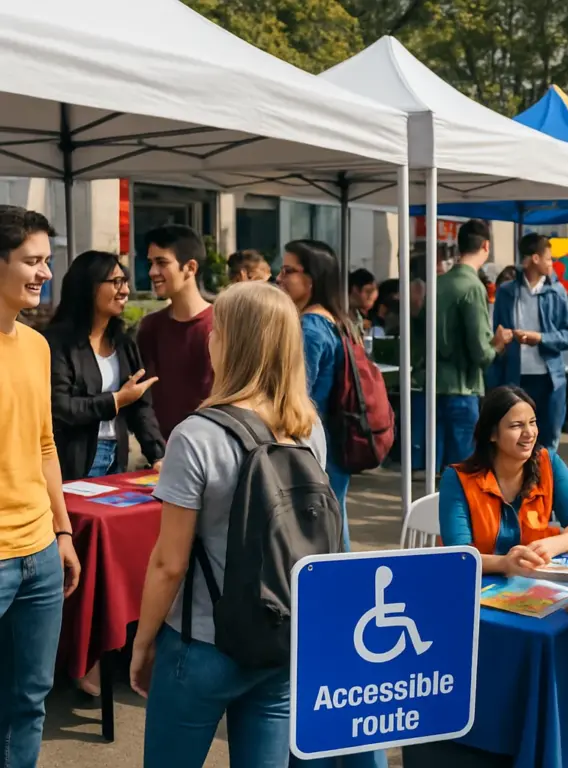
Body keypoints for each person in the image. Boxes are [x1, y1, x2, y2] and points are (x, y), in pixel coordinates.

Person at [131, 282, 327, 768]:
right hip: (281, 636)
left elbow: (168, 564)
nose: (210, 337)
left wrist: (143, 641)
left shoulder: (196, 435)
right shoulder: (309, 429)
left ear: (231, 343)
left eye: (217, 330)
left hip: (202, 641)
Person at [0, 205, 81, 765]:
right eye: (32, 261)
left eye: (46, 261)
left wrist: (63, 532)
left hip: (40, 554)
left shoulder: (36, 344)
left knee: (30, 701)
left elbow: (45, 445)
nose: (44, 273)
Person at [439, 386, 568, 573]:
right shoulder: (457, 478)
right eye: (516, 425)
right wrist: (505, 563)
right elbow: (459, 556)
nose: (529, 433)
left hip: (533, 582)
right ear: (492, 434)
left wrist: (551, 545)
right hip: (476, 585)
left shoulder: (548, 463)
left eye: (532, 422)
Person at [45, 251, 165, 482]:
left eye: (126, 282)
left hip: (116, 457)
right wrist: (116, 400)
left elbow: (140, 406)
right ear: (88, 286)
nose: (125, 291)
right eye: (116, 282)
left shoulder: (124, 343)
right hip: (71, 462)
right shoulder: (56, 344)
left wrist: (158, 454)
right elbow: (60, 407)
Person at [413, 219, 513, 472]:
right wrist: (499, 344)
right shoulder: (472, 287)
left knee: (433, 469)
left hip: (432, 383)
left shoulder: (437, 283)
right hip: (462, 386)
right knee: (464, 470)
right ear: (486, 245)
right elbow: (480, 351)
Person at [277, 239, 354, 552]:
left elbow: (298, 392)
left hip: (314, 440)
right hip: (333, 436)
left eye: (287, 270)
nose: (279, 278)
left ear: (310, 279)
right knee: (335, 519)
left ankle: (343, 590)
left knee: (327, 528)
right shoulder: (337, 319)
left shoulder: (309, 326)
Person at [491, 233, 568, 451]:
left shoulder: (556, 292)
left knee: (548, 441)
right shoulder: (507, 292)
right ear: (535, 259)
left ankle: (545, 482)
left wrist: (540, 338)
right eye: (549, 258)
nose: (552, 264)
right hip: (515, 378)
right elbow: (497, 332)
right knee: (515, 440)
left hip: (549, 380)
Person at [137, 225, 214, 440]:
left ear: (190, 267)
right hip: (162, 454)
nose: (152, 272)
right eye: (151, 263)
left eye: (162, 263)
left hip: (211, 449)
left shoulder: (222, 325)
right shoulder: (150, 327)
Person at [348, 268, 378, 333]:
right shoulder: (340, 315)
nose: (374, 295)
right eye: (368, 291)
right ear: (355, 289)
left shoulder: (358, 315)